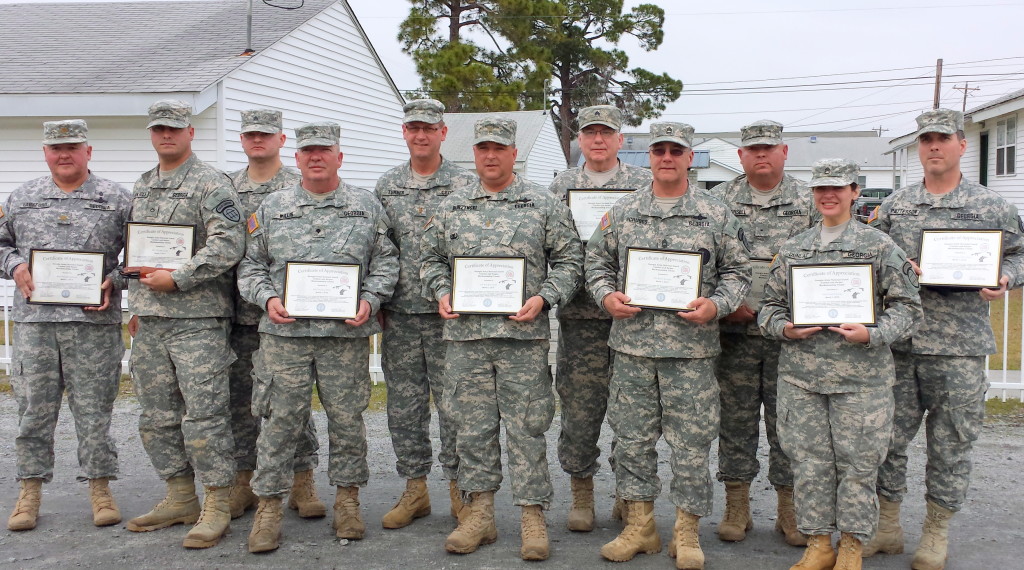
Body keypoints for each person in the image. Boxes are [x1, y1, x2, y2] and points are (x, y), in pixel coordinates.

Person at [585, 122, 751, 569]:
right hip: (633, 349)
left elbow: (739, 273)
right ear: (648, 156)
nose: (666, 158)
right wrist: (606, 295)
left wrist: (716, 305)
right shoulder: (623, 212)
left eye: (675, 151)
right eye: (658, 150)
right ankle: (640, 526)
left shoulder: (716, 214)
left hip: (691, 353)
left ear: (690, 157)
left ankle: (686, 530)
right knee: (633, 440)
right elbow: (596, 261)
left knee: (691, 444)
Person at [866, 109, 1024, 569]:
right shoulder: (896, 206)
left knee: (951, 443)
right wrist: (895, 271)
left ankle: (935, 531)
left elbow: (1021, 255)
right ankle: (888, 526)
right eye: (926, 140)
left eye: (942, 139)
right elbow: (868, 258)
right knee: (887, 440)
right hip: (901, 344)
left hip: (959, 346)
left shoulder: (991, 206)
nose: (933, 147)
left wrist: (1006, 278)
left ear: (961, 145)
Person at [420, 117, 583, 561]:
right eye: (482, 148)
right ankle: (481, 513)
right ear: (473, 153)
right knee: (471, 429)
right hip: (466, 340)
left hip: (521, 339)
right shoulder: (453, 205)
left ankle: (532, 516)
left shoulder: (542, 204)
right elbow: (430, 260)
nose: (490, 156)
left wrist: (545, 298)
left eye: (499, 148)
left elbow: (571, 261)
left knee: (528, 428)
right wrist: (441, 290)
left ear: (514, 153)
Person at [237, 122, 398, 553]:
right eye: (308, 151)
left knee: (347, 422)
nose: (316, 157)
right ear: (297, 157)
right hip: (284, 337)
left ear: (339, 157)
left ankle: (347, 501)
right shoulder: (272, 208)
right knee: (279, 423)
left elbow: (386, 263)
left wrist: (370, 300)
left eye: (324, 150)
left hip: (342, 338)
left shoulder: (366, 206)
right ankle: (269, 506)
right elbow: (249, 267)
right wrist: (267, 298)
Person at [759, 158, 921, 570]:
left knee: (859, 464)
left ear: (854, 192)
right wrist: (786, 329)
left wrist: (874, 333)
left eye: (838, 188)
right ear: (813, 195)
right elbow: (768, 309)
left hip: (861, 379)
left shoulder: (879, 246)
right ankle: (818, 542)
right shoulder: (795, 247)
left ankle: (851, 544)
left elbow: (908, 308)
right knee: (809, 462)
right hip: (803, 377)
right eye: (820, 189)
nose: (828, 196)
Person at [125, 100, 246, 549]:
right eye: (159, 129)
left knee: (206, 414)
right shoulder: (143, 184)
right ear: (152, 134)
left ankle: (216, 500)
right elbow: (137, 249)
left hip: (196, 319)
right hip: (151, 319)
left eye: (174, 128)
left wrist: (178, 278)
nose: (166, 136)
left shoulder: (212, 183)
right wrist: (137, 300)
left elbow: (229, 243)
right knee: (156, 415)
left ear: (190, 133)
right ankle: (179, 494)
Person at [2, 120, 131, 531]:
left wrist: (116, 278)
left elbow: (144, 251)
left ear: (88, 151)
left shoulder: (117, 199)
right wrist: (15, 264)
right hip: (35, 326)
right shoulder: (21, 198)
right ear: (45, 152)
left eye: (73, 147)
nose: (64, 154)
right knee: (33, 413)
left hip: (92, 326)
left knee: (94, 414)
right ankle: (29, 492)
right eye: (56, 148)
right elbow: (1, 245)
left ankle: (100, 488)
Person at [708, 119, 814, 545]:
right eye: (752, 149)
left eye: (769, 147)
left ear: (784, 152)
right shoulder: (718, 201)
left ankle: (789, 509)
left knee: (787, 423)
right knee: (735, 420)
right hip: (733, 335)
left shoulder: (808, 200)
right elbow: (704, 260)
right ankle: (737, 505)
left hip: (789, 336)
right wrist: (724, 305)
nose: (761, 155)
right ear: (740, 156)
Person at [548, 105, 652, 531]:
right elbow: (551, 244)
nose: (597, 140)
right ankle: (582, 493)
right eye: (589, 133)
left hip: (633, 317)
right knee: (580, 409)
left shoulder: (642, 184)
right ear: (579, 139)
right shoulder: (561, 185)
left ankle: (628, 495)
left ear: (619, 140)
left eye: (606, 133)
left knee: (633, 412)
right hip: (581, 318)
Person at [374, 99, 477, 529]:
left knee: (455, 406)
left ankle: (459, 489)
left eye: (428, 128)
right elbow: (377, 248)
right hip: (399, 315)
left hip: (449, 316)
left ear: (443, 132)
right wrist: (375, 301)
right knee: (404, 407)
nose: (420, 135)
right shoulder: (387, 185)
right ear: (404, 132)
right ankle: (415, 489)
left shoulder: (464, 184)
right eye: (413, 127)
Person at [226, 109, 323, 521]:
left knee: (291, 402)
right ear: (242, 139)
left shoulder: (298, 184)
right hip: (239, 311)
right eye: (250, 134)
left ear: (282, 141)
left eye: (265, 134)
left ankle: (302, 480)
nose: (257, 140)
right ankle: (243, 480)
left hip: (292, 317)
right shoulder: (226, 187)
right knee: (241, 400)